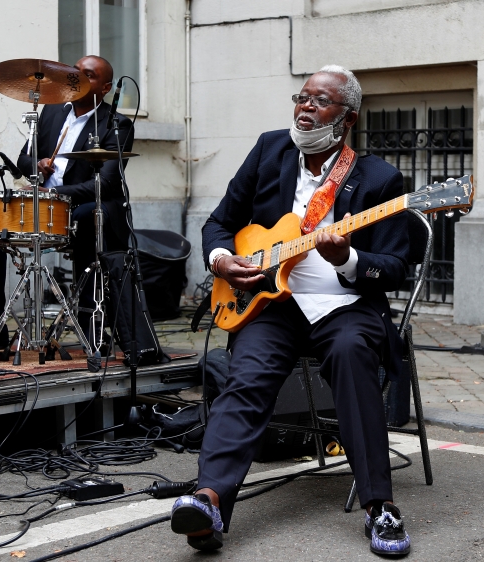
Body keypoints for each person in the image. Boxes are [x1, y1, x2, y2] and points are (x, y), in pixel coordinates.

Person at [170, 66, 413, 557]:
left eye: (319, 101)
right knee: (247, 376)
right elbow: (220, 222)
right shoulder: (269, 149)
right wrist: (222, 261)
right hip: (272, 303)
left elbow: (394, 269)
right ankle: (208, 499)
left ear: (347, 118)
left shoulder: (381, 179)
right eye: (301, 97)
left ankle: (380, 507)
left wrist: (346, 257)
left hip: (346, 307)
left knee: (352, 358)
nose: (305, 107)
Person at [17, 55, 135, 340]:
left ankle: (91, 325)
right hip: (41, 206)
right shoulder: (52, 111)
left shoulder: (116, 124)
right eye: (76, 71)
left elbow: (105, 184)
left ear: (105, 88)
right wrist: (38, 164)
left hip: (82, 209)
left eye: (89, 74)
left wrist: (55, 192)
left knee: (89, 217)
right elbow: (23, 158)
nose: (79, 77)